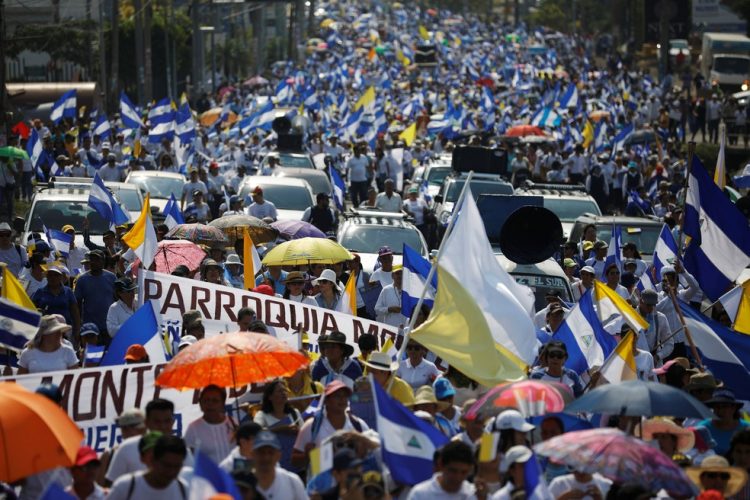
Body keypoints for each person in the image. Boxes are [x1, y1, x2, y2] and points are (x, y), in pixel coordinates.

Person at [292, 380, 369, 467]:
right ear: (326, 400)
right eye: (337, 396)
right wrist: (307, 456)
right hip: (320, 480)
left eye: (345, 396)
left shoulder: (358, 425)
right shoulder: (311, 426)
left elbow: (372, 452)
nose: (342, 399)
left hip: (351, 479)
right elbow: (295, 461)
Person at [106, 399, 183, 484]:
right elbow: (111, 485)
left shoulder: (183, 450)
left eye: (167, 421)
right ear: (146, 422)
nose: (162, 426)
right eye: (157, 422)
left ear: (173, 422)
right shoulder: (126, 448)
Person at [106, 435, 188, 500]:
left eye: (177, 466)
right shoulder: (125, 487)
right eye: (167, 466)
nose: (172, 471)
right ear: (153, 460)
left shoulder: (183, 489)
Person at [253, 380, 303, 471]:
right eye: (280, 391)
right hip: (275, 468)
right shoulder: (262, 415)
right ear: (270, 397)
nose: (284, 393)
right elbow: (256, 432)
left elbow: (304, 434)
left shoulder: (294, 413)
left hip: (297, 466)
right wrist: (279, 429)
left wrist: (298, 431)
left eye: (285, 390)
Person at [183, 385, 235, 465]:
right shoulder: (193, 428)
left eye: (215, 401)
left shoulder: (233, 423)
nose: (210, 404)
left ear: (222, 404)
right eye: (206, 400)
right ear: (200, 403)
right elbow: (188, 460)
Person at [407, 441, 476, 499]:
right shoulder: (420, 494)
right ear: (441, 465)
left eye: (464, 472)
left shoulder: (473, 494)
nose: (458, 477)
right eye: (453, 471)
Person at [97, 409, 147, 486]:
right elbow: (99, 490)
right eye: (123, 428)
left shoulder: (158, 450)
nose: (123, 431)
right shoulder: (109, 455)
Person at [74, 249, 117, 339]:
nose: (93, 262)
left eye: (97, 259)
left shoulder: (112, 278)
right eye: (92, 259)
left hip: (108, 326)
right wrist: (78, 325)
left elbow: (117, 300)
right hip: (89, 327)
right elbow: (77, 304)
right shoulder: (82, 280)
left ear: (103, 262)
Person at [253, 431, 307, 499]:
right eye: (261, 452)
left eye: (271, 453)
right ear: (253, 454)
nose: (266, 457)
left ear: (278, 455)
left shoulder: (292, 482)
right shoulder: (242, 484)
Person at [31, 265, 80, 336]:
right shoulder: (40, 292)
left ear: (61, 277)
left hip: (66, 331)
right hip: (46, 331)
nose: (53, 278)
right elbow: (32, 309)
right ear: (47, 277)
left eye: (56, 275)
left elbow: (75, 313)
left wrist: (77, 331)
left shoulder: (68, 291)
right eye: (50, 275)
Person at [699, 390, 750, 456]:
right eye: (717, 406)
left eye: (724, 406)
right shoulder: (702, 429)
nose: (720, 410)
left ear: (733, 408)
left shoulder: (747, 429)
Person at [637, 289, 673, 362]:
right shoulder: (630, 317)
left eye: (653, 305)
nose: (651, 308)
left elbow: (669, 344)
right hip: (636, 363)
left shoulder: (661, 318)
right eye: (648, 305)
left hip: (655, 365)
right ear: (641, 301)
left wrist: (658, 356)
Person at [548, 470, 613, 499]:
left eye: (586, 467)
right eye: (576, 465)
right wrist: (563, 497)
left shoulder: (606, 485)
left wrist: (599, 498)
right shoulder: (559, 483)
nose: (580, 470)